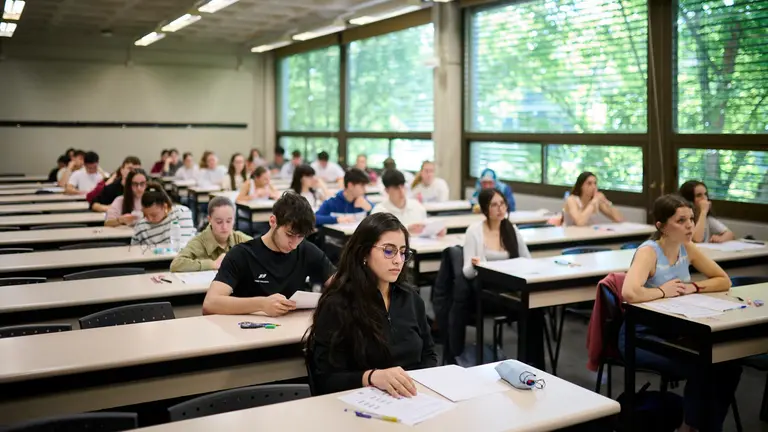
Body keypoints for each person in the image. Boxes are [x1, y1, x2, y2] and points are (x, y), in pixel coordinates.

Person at [620, 194, 739, 432]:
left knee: (730, 363)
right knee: (704, 364)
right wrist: (664, 291)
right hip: (642, 336)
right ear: (662, 227)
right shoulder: (649, 252)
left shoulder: (687, 248)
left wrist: (693, 287)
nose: (690, 226)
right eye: (681, 220)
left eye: (691, 219)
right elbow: (629, 293)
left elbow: (723, 280)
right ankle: (688, 427)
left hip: (676, 331)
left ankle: (701, 426)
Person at [305, 212, 437, 396]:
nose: (398, 260)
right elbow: (324, 380)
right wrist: (372, 377)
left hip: (411, 399)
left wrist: (415, 385)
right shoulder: (337, 303)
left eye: (403, 252)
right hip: (360, 405)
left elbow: (429, 355)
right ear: (364, 253)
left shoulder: (411, 298)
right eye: (389, 251)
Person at [201, 192, 335, 316]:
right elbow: (210, 304)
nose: (294, 244)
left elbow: (340, 284)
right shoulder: (242, 254)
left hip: (291, 332)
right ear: (273, 222)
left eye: (300, 237)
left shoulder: (307, 250)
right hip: (247, 333)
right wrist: (261, 304)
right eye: (289, 235)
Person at [170, 196, 252, 272]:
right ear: (210, 219)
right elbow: (176, 264)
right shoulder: (199, 242)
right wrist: (213, 264)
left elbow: (263, 252)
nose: (225, 227)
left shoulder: (240, 239)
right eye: (219, 222)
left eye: (229, 221)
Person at [463, 188, 530, 279]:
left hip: (511, 281)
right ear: (485, 209)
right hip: (486, 284)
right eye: (494, 205)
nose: (500, 209)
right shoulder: (474, 231)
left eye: (502, 203)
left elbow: (527, 260)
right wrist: (473, 266)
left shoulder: (511, 229)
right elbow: (467, 272)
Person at [131, 185, 195, 245]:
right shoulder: (141, 226)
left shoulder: (181, 213)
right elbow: (134, 251)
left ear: (165, 207)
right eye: (145, 215)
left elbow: (183, 244)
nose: (150, 219)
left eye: (154, 215)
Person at [372, 170, 430, 234]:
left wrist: (434, 232)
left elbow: (426, 229)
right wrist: (407, 229)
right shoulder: (379, 212)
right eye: (396, 188)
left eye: (402, 186)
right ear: (387, 190)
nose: (401, 191)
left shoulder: (417, 206)